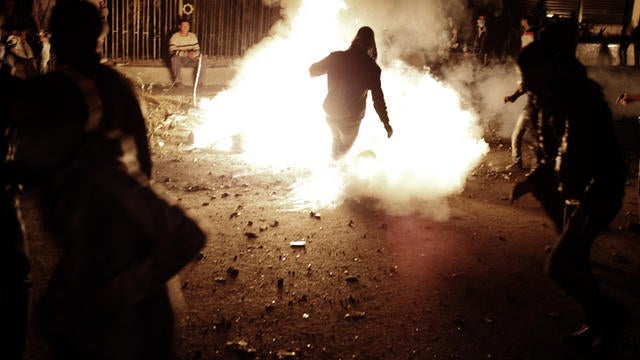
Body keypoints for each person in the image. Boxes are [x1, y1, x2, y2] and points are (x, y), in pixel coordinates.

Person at [11, 2, 205, 358]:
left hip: (128, 301)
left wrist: (118, 292)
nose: (22, 144)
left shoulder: (96, 165)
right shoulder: (114, 88)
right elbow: (144, 164)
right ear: (102, 33)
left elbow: (186, 233)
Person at [511, 39, 627, 356]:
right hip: (575, 193)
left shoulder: (580, 101)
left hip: (598, 192)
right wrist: (534, 180)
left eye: (530, 75)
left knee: (560, 266)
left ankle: (612, 318)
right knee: (576, 261)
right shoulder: (545, 99)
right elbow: (556, 154)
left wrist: (584, 209)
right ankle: (597, 323)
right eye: (524, 76)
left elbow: (594, 160)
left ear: (548, 69)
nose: (525, 83)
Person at [309, 26, 393, 160]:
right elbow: (378, 100)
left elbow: (313, 70)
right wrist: (386, 123)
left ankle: (334, 161)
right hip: (350, 119)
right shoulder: (372, 68)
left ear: (355, 39)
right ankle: (341, 167)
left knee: (337, 144)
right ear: (371, 44)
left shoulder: (336, 57)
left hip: (331, 113)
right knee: (344, 152)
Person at [502, 16, 537, 170]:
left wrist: (512, 97)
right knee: (531, 137)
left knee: (518, 135)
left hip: (532, 109)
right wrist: (512, 97)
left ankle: (520, 164)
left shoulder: (531, 71)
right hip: (536, 108)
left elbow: (524, 87)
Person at [168, 18, 207, 88]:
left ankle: (200, 83)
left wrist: (194, 54)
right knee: (174, 58)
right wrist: (187, 54)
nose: (186, 28)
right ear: (179, 27)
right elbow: (172, 51)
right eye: (184, 26)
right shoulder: (175, 37)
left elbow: (197, 49)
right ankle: (178, 82)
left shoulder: (192, 36)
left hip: (191, 59)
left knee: (203, 59)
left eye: (187, 26)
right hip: (181, 60)